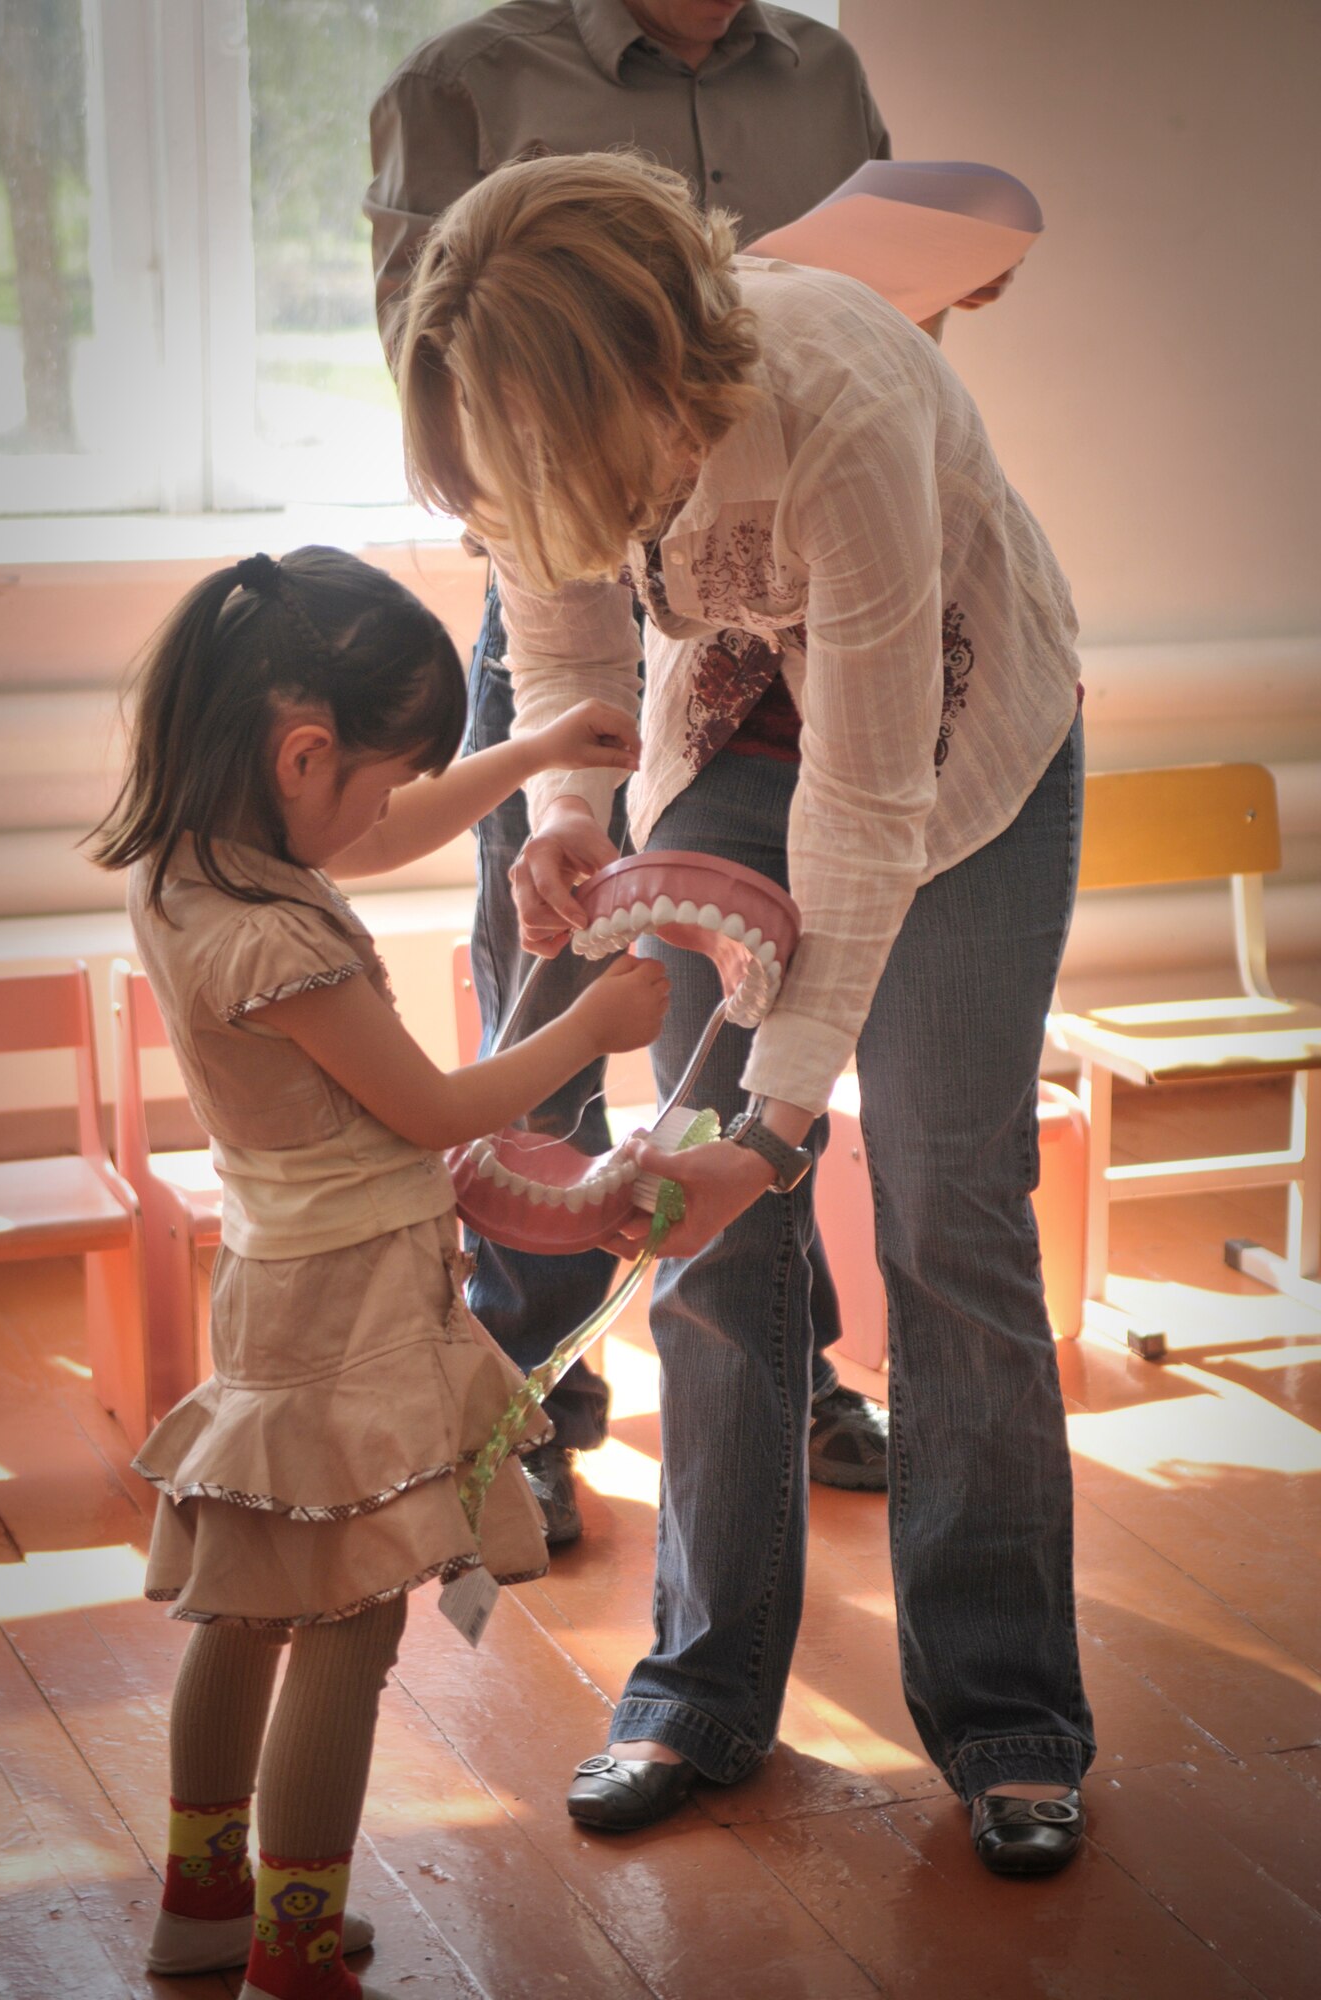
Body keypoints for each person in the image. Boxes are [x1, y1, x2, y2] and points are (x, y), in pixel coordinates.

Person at [396, 151, 1096, 1874]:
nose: (523, 497)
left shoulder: (840, 396)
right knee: (691, 1227)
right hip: (722, 731)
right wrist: (568, 816)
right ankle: (701, 1689)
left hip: (947, 754)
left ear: (646, 381)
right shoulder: (520, 405)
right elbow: (555, 632)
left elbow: (865, 814)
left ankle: (1008, 1713)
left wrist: (779, 1132)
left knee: (951, 1217)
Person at [90, 546, 668, 1998]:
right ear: (302, 754)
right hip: (354, 1308)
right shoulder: (288, 943)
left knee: (246, 1597)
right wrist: (594, 1027)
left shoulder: (192, 875)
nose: (389, 808)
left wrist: (534, 752)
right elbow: (437, 1109)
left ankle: (204, 1904)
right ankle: (296, 1944)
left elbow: (382, 827)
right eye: (376, 773)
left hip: (277, 1288)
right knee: (351, 1610)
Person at [366, 0, 907, 1539]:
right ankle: (526, 1387)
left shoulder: (825, 71)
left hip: (790, 551)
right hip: (575, 566)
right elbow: (451, 373)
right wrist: (559, 792)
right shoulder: (463, 84)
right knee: (555, 965)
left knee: (723, 1054)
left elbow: (865, 332)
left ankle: (782, 1366)